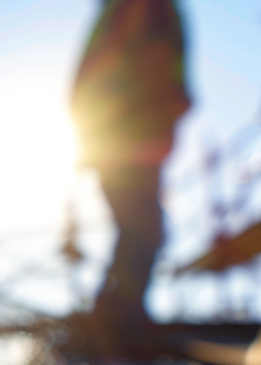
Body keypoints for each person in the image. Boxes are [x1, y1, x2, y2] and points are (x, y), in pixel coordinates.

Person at [69, 0, 190, 340]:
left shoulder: (120, 12)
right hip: (129, 142)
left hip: (118, 141)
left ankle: (114, 313)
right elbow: (153, 62)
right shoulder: (143, 9)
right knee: (144, 228)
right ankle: (118, 320)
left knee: (137, 229)